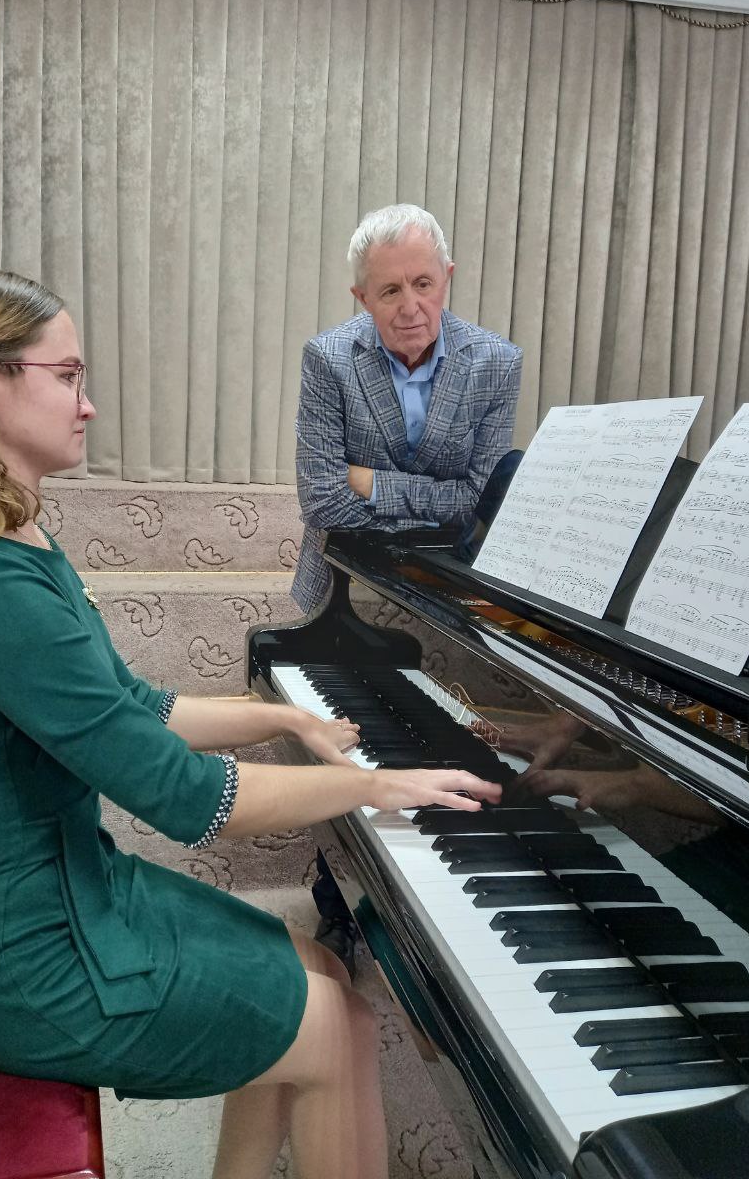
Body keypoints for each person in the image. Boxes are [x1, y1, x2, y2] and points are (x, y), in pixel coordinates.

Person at [0, 267, 502, 1179]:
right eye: (68, 376)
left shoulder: (12, 543)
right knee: (338, 1025)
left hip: (74, 886)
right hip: (23, 954)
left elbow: (134, 707)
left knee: (319, 969)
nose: (87, 403)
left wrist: (284, 717)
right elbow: (187, 798)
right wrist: (372, 785)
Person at [291, 205, 522, 972]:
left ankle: (448, 922)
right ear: (362, 297)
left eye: (425, 283)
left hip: (448, 595)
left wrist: (371, 481)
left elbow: (477, 501)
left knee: (444, 747)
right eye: (389, 290)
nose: (411, 305)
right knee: (349, 754)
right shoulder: (329, 359)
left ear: (447, 277)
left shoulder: (495, 363)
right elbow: (323, 500)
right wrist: (424, 495)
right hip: (344, 588)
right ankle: (338, 900)